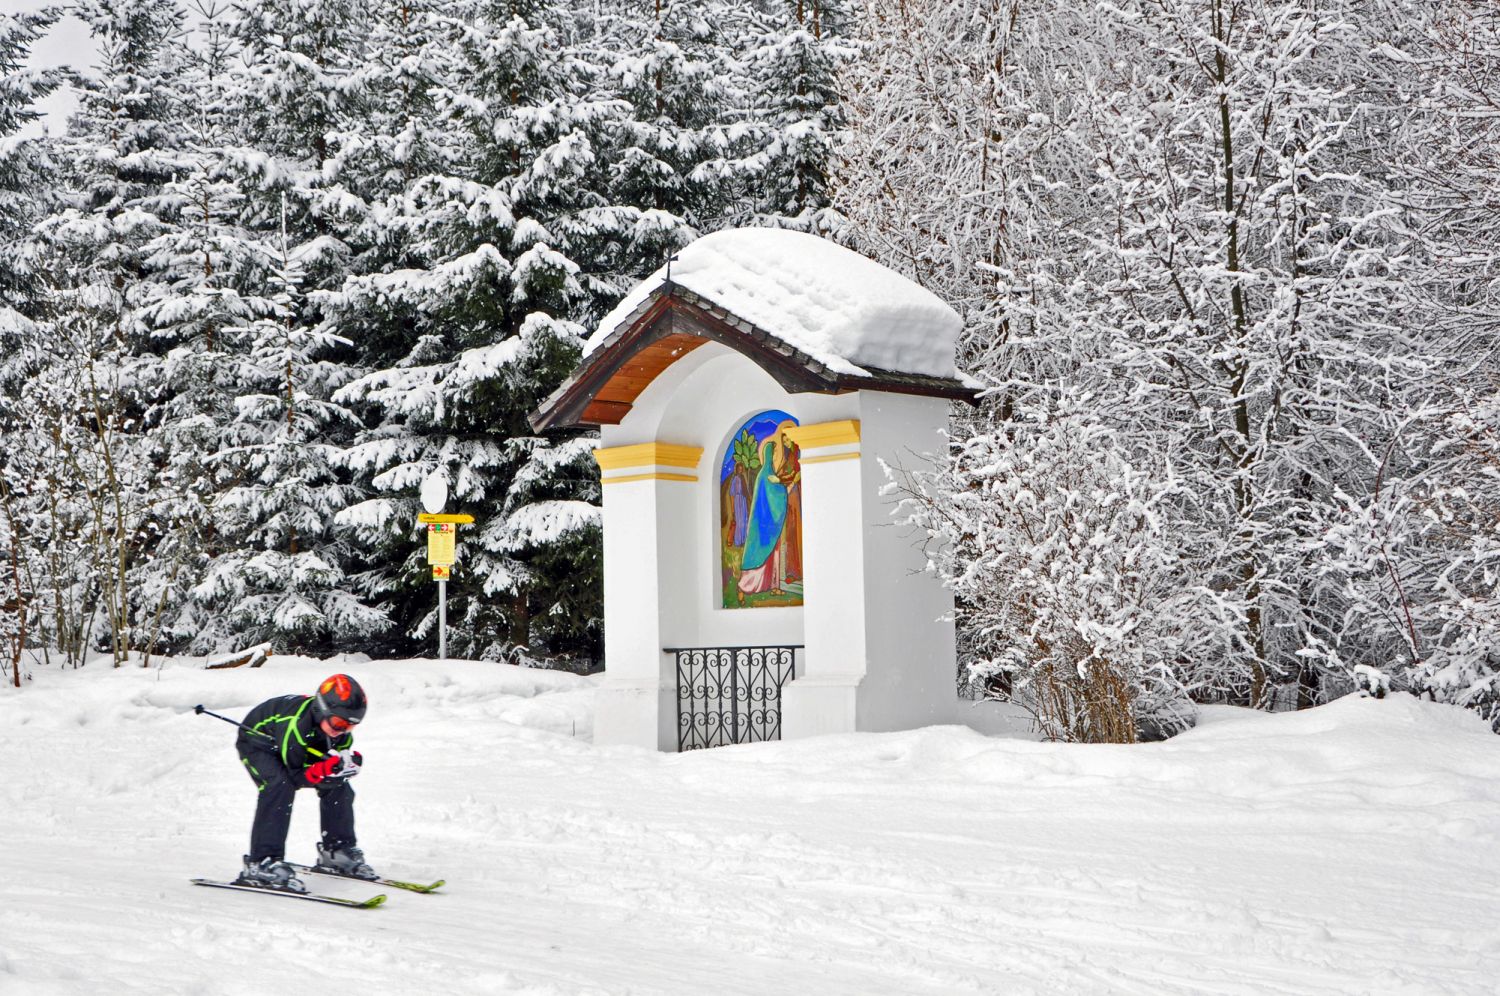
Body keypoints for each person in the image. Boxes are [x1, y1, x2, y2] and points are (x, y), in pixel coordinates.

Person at [233, 673, 376, 892]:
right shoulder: (296, 726)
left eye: (350, 726)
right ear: (322, 709)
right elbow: (294, 776)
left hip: (294, 746)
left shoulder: (338, 733)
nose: (342, 731)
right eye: (339, 723)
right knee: (279, 786)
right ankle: (261, 862)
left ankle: (337, 850)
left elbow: (330, 763)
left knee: (339, 786)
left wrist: (343, 767)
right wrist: (320, 770)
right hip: (258, 743)